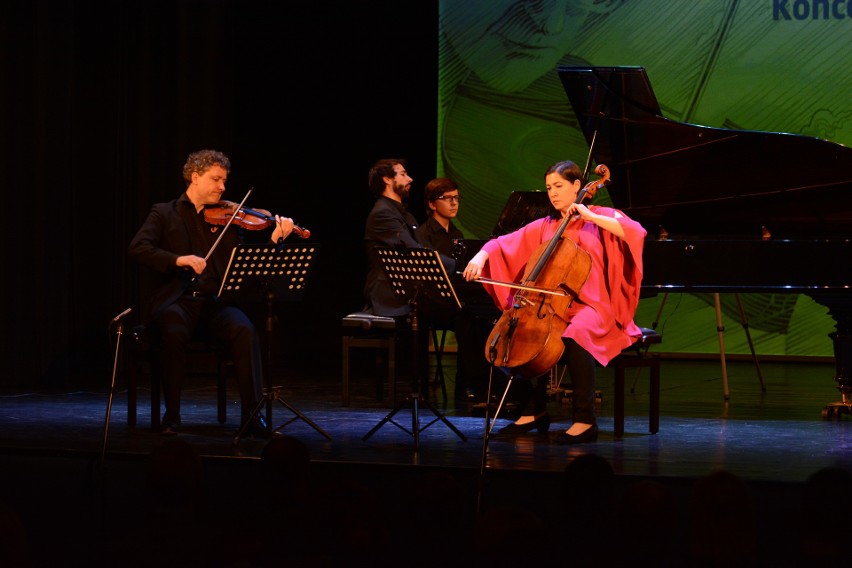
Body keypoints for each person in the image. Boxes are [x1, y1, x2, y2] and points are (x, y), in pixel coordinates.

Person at [462, 159, 645, 443]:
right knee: (520, 337)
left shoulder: (600, 215)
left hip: (593, 306)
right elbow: (502, 243)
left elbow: (635, 232)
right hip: (553, 306)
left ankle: (585, 420)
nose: (553, 193)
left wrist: (588, 214)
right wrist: (480, 256)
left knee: (575, 334)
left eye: (559, 186)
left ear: (576, 186)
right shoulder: (547, 225)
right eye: (549, 188)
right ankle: (532, 412)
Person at [128, 149, 295, 436]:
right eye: (216, 180)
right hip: (178, 301)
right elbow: (138, 248)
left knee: (245, 330)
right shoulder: (164, 212)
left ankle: (252, 415)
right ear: (195, 177)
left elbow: (245, 263)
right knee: (173, 330)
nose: (223, 187)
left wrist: (273, 239)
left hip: (216, 304)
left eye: (224, 181)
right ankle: (172, 415)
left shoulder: (228, 218)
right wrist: (178, 259)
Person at [362, 159, 458, 394]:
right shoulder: (383, 214)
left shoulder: (404, 215)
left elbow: (426, 252)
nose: (410, 179)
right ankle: (467, 387)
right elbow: (415, 254)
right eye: (403, 174)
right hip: (391, 292)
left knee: (465, 313)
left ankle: (474, 387)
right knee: (462, 316)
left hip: (409, 289)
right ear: (387, 180)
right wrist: (459, 267)